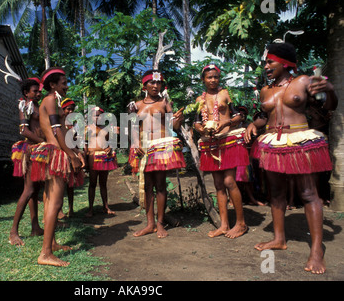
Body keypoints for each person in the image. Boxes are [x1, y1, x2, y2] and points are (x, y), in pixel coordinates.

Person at [245, 42, 337, 274]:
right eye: (265, 62)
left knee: (308, 193)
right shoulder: (265, 90)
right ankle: (279, 238)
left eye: (270, 61)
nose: (265, 66)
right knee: (275, 193)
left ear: (285, 63)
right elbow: (265, 116)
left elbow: (328, 107)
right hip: (273, 143)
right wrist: (251, 124)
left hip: (300, 141)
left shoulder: (303, 81)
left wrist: (331, 90)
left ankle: (316, 250)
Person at [29, 67, 84, 267]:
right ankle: (45, 253)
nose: (67, 86)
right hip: (56, 154)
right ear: (53, 85)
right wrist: (71, 155)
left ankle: (52, 243)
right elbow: (55, 130)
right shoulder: (51, 100)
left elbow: (59, 131)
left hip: (55, 151)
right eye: (64, 82)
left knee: (49, 199)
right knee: (55, 202)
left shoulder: (53, 101)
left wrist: (75, 152)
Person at [128, 70, 185, 238]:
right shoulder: (135, 105)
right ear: (144, 85)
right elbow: (131, 127)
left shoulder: (164, 102)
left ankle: (160, 223)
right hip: (144, 147)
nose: (155, 85)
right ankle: (150, 223)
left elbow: (172, 126)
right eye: (152, 83)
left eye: (158, 83)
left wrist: (178, 118)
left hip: (161, 145)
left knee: (160, 185)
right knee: (147, 186)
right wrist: (135, 143)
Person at [193, 64, 249, 239]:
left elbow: (239, 115)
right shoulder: (199, 100)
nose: (213, 80)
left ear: (219, 78)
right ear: (203, 79)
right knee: (218, 184)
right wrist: (201, 130)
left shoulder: (226, 93)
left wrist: (226, 123)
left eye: (216, 77)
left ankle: (241, 224)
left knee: (229, 181)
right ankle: (224, 224)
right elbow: (196, 122)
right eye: (209, 77)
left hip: (228, 141)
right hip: (210, 143)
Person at [9, 78, 45, 246]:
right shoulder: (25, 105)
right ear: (26, 93)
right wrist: (41, 142)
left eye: (39, 90)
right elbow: (24, 130)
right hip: (32, 149)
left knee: (35, 190)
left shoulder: (36, 106)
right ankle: (13, 232)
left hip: (39, 149)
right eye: (35, 91)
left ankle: (35, 227)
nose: (39, 93)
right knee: (29, 190)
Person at [85, 106, 117, 217]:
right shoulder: (87, 128)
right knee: (92, 183)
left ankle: (106, 206)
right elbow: (84, 144)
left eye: (99, 115)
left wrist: (110, 148)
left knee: (103, 183)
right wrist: (85, 157)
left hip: (104, 157)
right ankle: (90, 209)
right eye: (95, 115)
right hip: (93, 156)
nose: (97, 117)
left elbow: (111, 142)